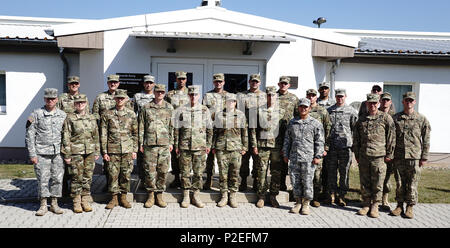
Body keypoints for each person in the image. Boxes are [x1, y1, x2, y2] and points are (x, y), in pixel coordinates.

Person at [25, 88, 67, 216]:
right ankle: (43, 205)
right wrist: (32, 154)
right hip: (41, 153)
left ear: (57, 100)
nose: (50, 101)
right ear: (44, 99)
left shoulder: (62, 114)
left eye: (53, 98)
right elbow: (30, 135)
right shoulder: (36, 114)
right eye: (48, 98)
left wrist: (67, 153)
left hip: (58, 153)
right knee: (42, 179)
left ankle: (54, 204)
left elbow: (67, 135)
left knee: (57, 179)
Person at [353, 93, 395, 218]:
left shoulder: (386, 118)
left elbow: (391, 137)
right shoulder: (361, 120)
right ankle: (366, 204)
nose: (372, 105)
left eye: (375, 103)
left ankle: (375, 205)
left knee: (378, 183)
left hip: (379, 157)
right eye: (370, 103)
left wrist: (389, 154)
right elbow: (356, 139)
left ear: (378, 103)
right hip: (364, 156)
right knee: (365, 182)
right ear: (367, 104)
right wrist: (357, 154)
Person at [391, 92, 431, 219]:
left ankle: (410, 207)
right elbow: (391, 138)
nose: (408, 102)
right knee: (399, 183)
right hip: (399, 156)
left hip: (414, 157)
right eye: (406, 100)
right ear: (403, 102)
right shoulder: (396, 118)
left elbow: (426, 138)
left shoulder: (421, 119)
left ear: (414, 102)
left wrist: (424, 156)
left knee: (412, 183)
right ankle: (399, 205)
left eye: (411, 100)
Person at [283, 98, 324, 215]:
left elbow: (320, 141)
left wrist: (318, 156)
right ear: (298, 108)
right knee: (295, 181)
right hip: (294, 158)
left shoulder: (315, 124)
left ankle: (306, 204)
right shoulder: (292, 123)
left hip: (308, 159)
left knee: (307, 182)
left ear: (309, 108)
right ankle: (298, 202)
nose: (303, 109)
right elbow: (287, 140)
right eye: (301, 106)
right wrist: (285, 154)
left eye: (306, 107)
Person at [174, 85, 213, 208]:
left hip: (199, 147)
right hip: (184, 146)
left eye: (195, 95)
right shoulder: (181, 110)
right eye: (191, 94)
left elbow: (209, 129)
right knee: (185, 172)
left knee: (198, 172)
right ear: (188, 95)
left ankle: (196, 195)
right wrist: (176, 145)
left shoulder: (204, 110)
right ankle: (185, 195)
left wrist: (208, 144)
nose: (193, 97)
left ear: (199, 96)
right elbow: (176, 129)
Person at [92, 74, 132, 192]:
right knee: (108, 164)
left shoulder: (126, 98)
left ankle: (121, 188)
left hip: (123, 137)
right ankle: (110, 186)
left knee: (124, 167)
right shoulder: (100, 97)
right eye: (111, 82)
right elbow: (95, 114)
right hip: (107, 134)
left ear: (118, 83)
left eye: (115, 82)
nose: (113, 84)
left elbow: (130, 115)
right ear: (108, 83)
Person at [100, 89, 138, 209]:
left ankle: (123, 197)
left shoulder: (131, 114)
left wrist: (134, 150)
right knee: (113, 174)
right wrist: (104, 151)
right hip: (112, 150)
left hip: (127, 150)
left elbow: (135, 133)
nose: (120, 100)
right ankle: (114, 198)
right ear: (114, 99)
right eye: (118, 98)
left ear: (126, 99)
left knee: (126, 174)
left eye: (122, 98)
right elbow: (103, 133)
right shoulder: (107, 114)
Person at [61, 94, 99, 213]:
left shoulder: (91, 117)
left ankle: (85, 199)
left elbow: (96, 135)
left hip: (90, 151)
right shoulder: (70, 118)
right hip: (76, 152)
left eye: (82, 102)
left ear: (86, 103)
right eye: (78, 103)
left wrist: (97, 150)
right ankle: (76, 201)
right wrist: (67, 154)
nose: (80, 104)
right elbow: (66, 137)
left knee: (88, 176)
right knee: (76, 176)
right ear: (74, 104)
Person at [250, 86, 287, 208]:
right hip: (262, 146)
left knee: (276, 172)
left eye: (273, 95)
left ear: (276, 96)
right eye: (269, 95)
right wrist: (254, 145)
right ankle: (261, 196)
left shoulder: (281, 111)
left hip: (277, 147)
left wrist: (284, 148)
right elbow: (253, 130)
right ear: (266, 96)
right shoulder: (259, 111)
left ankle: (273, 196)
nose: (271, 97)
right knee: (261, 171)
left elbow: (286, 131)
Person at [138, 84, 174, 208]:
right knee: (149, 171)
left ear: (164, 93)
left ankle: (159, 194)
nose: (160, 94)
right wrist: (141, 143)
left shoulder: (169, 107)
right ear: (154, 92)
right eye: (158, 92)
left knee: (163, 171)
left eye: (162, 92)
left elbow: (171, 126)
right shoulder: (146, 107)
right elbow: (141, 126)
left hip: (164, 144)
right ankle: (150, 195)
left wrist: (171, 142)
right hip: (150, 144)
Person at [211, 93, 247, 208]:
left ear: (236, 102)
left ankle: (232, 195)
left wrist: (245, 146)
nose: (230, 103)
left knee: (234, 173)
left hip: (236, 148)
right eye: (228, 101)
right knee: (223, 173)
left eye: (233, 101)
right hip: (221, 148)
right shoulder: (219, 115)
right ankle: (224, 195)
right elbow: (214, 132)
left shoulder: (241, 115)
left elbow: (244, 132)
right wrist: (213, 146)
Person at [57, 75, 90, 197]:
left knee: (78, 166)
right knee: (65, 163)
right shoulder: (62, 98)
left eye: (76, 83)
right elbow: (57, 114)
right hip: (65, 134)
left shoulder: (83, 98)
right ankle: (64, 189)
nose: (74, 85)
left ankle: (77, 190)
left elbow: (87, 114)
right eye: (72, 84)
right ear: (68, 85)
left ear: (79, 84)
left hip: (79, 136)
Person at [326, 89, 358, 207]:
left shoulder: (351, 111)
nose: (340, 98)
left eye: (342, 96)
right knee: (331, 171)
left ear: (346, 96)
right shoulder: (329, 111)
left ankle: (342, 196)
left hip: (345, 147)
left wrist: (354, 145)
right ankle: (332, 194)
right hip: (332, 146)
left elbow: (355, 129)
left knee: (344, 172)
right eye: (338, 96)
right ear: (335, 97)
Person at [236, 73, 266, 192]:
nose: (254, 83)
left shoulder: (264, 96)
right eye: (252, 81)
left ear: (259, 83)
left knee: (257, 158)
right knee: (244, 158)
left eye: (256, 81)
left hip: (259, 132)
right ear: (249, 82)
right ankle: (243, 181)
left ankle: (255, 181)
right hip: (244, 131)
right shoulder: (241, 96)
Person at [202, 73, 229, 190]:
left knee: (223, 157)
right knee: (209, 158)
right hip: (210, 129)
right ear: (213, 82)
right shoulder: (208, 95)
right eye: (216, 81)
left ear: (223, 82)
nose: (218, 83)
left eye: (220, 81)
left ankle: (223, 182)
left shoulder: (229, 96)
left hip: (223, 131)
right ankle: (209, 179)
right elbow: (203, 111)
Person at [305, 88, 331, 207]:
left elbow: (328, 129)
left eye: (313, 96)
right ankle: (304, 197)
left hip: (317, 148)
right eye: (309, 96)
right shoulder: (302, 109)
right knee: (305, 173)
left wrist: (325, 148)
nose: (311, 98)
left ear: (316, 97)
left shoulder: (322, 111)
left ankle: (315, 197)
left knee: (317, 175)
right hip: (304, 148)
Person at [165, 71, 190, 189]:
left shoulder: (191, 93)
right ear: (176, 79)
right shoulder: (169, 94)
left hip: (186, 127)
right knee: (175, 152)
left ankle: (185, 178)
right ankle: (176, 178)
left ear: (186, 79)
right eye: (179, 79)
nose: (181, 81)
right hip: (173, 125)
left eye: (183, 79)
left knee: (185, 152)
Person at [277, 76, 299, 191]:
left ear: (289, 85)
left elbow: (297, 115)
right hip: (273, 134)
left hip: (287, 133)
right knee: (273, 160)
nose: (283, 85)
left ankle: (282, 183)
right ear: (278, 84)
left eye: (285, 84)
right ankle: (271, 183)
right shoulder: (272, 96)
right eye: (281, 83)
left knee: (284, 158)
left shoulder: (294, 98)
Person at [133, 75, 156, 189]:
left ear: (154, 84)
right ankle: (142, 180)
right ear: (143, 84)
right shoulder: (137, 97)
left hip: (153, 131)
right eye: (146, 82)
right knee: (141, 157)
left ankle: (153, 181)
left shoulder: (157, 96)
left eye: (151, 83)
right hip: (141, 130)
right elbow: (133, 113)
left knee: (153, 157)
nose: (148, 85)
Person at [378, 92, 397, 211]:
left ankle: (385, 199)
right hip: (376, 151)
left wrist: (391, 153)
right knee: (374, 177)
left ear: (390, 102)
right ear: (380, 101)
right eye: (383, 100)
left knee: (387, 177)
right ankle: (372, 200)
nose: (385, 102)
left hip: (389, 152)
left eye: (387, 100)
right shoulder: (375, 113)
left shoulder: (395, 116)